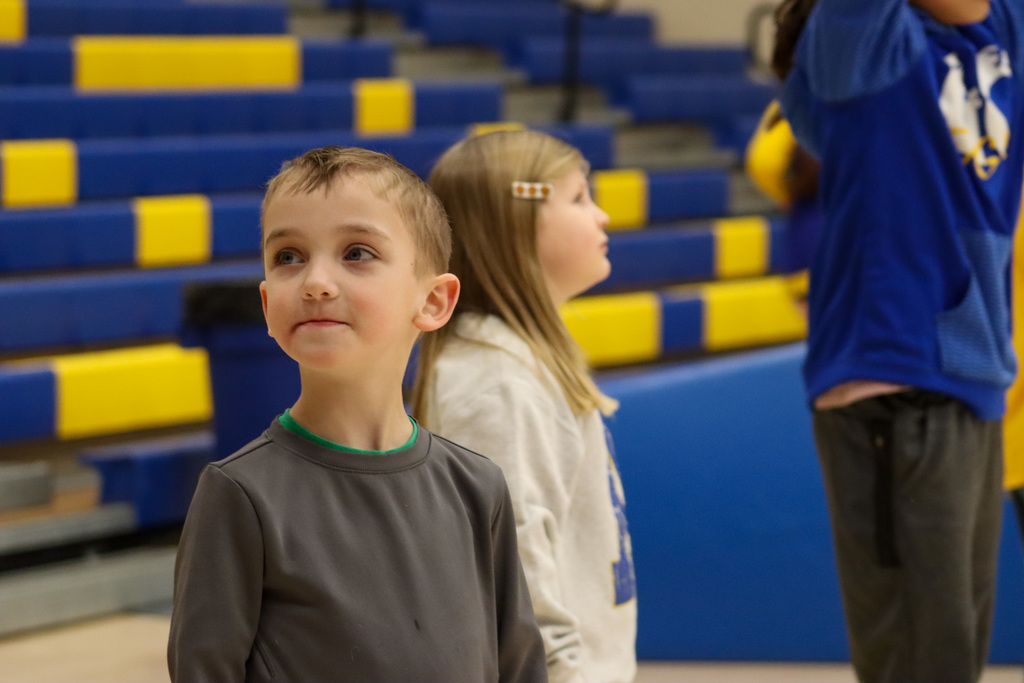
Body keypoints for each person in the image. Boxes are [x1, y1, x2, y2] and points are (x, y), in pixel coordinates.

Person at [167, 146, 549, 683]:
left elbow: (520, 667)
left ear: (434, 301)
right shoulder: (239, 494)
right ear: (266, 305)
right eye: (289, 257)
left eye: (357, 253)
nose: (315, 281)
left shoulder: (477, 486)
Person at [773, 0, 1024, 680]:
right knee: (919, 656)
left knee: (955, 649)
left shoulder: (998, 32)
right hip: (895, 375)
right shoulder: (865, 45)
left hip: (974, 375)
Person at [412, 130, 637, 683]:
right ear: (517, 220)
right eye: (580, 198)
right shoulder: (494, 379)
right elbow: (514, 559)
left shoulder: (522, 360)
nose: (602, 216)